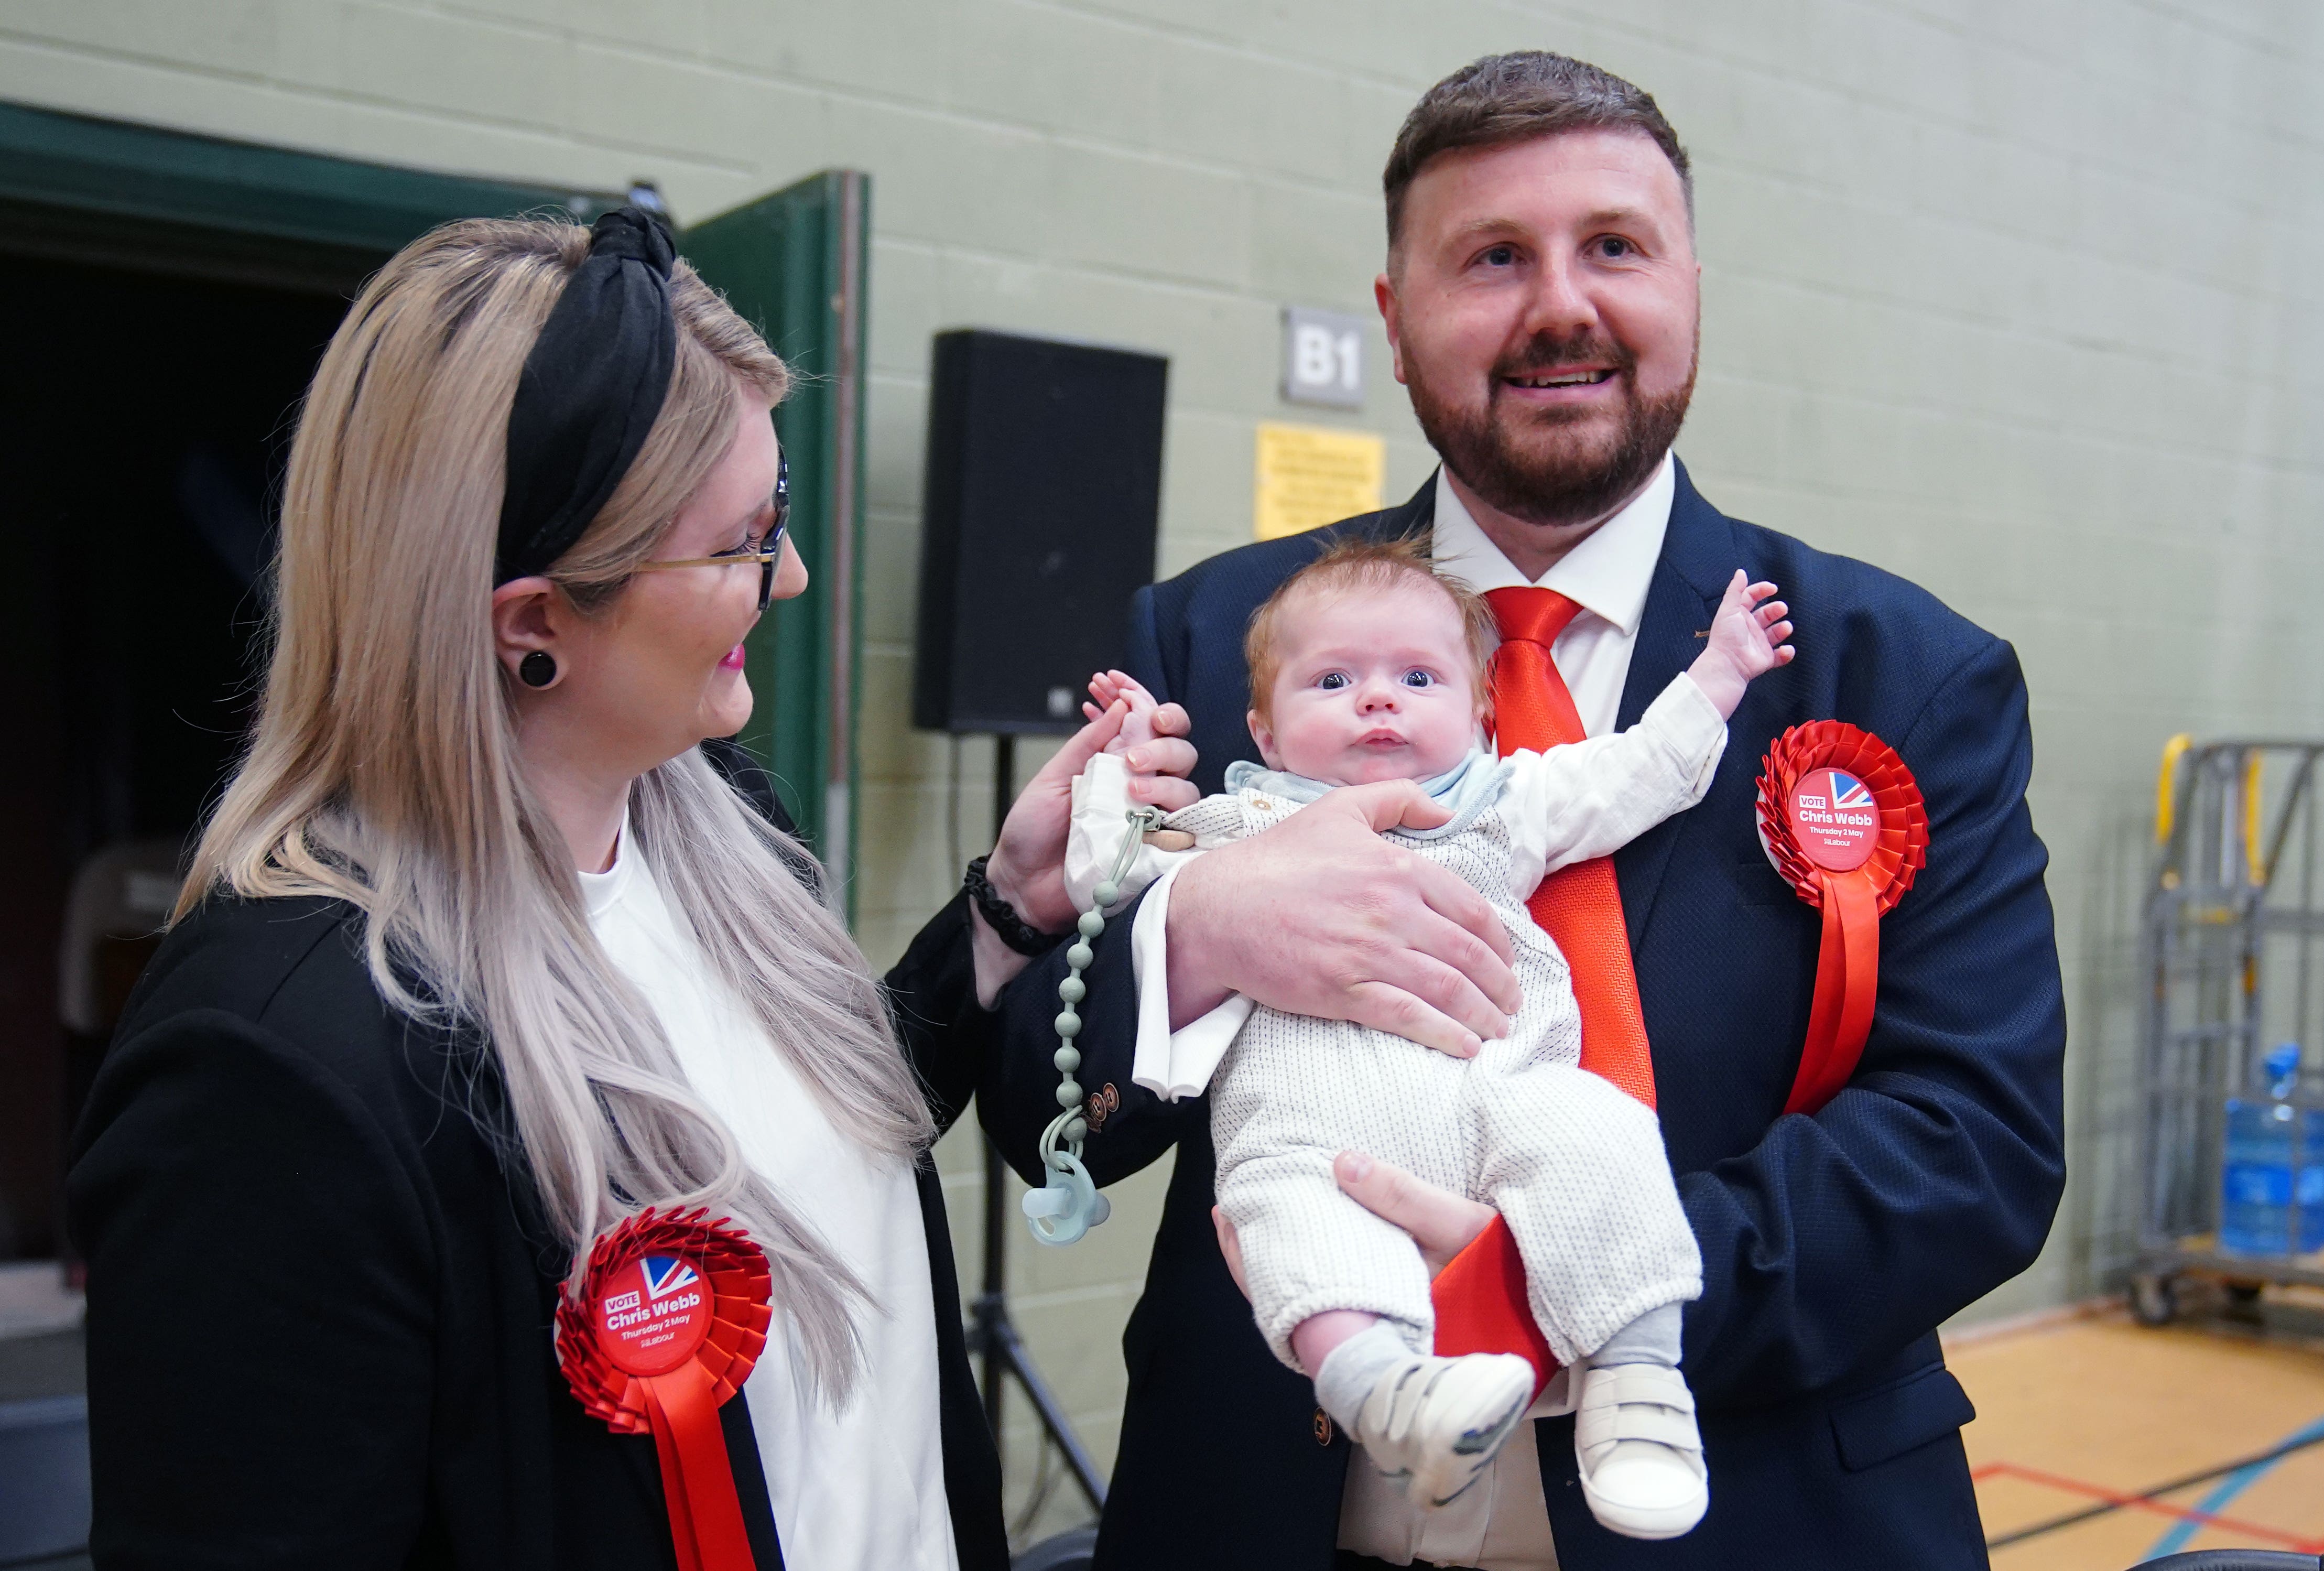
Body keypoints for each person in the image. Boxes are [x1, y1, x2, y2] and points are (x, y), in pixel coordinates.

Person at [979, 50, 2065, 1571]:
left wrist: (1576, 1276)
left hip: (1757, 1512)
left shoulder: (1906, 675)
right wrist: (1199, 937)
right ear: (1395, 314)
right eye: (1493, 257)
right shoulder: (1219, 640)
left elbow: (1974, 1142)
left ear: (1691, 281)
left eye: (1614, 246)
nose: (1562, 305)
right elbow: (1046, 1113)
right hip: (1273, 1512)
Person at [63, 209, 1127, 1571]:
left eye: (780, 511)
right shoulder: (277, 1058)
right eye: (744, 538)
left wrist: (1004, 911)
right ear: (532, 624)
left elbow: (793, 1148)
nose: (787, 576)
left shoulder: (716, 813)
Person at [1064, 540, 1795, 1536]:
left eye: (1418, 677)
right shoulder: (1238, 823)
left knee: (1601, 1134)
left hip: (1501, 1094)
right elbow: (1102, 875)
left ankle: (1637, 1393)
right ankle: (1390, 1397)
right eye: (1333, 680)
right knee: (1284, 1218)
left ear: (1482, 712)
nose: (1379, 700)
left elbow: (1635, 775)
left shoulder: (1503, 802)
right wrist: (1116, 769)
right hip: (1314, 1130)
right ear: (1264, 731)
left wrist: (1718, 673)